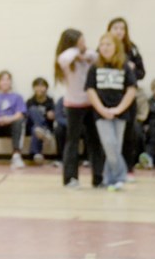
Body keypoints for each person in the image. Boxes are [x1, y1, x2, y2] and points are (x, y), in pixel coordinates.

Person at [86, 33, 137, 191]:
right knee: (109, 144)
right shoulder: (94, 67)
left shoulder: (124, 66)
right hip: (101, 114)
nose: (105, 48)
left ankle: (110, 180)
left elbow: (131, 90)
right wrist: (102, 109)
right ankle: (121, 176)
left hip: (120, 113)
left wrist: (118, 109)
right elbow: (90, 90)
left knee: (116, 147)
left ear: (116, 47)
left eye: (108, 44)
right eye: (102, 45)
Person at [55, 28, 102, 189]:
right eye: (80, 41)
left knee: (95, 142)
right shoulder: (67, 58)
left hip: (91, 103)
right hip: (74, 105)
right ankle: (70, 178)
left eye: (84, 41)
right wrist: (77, 51)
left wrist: (85, 54)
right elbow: (63, 57)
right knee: (72, 142)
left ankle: (98, 177)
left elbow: (97, 56)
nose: (84, 44)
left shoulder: (87, 56)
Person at [107, 17, 145, 181]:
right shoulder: (103, 48)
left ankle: (128, 168)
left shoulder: (132, 49)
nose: (119, 31)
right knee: (110, 136)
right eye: (115, 28)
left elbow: (142, 73)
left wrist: (132, 70)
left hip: (128, 98)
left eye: (122, 28)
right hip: (108, 98)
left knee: (129, 134)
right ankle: (110, 170)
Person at [25, 77, 56, 165]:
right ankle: (41, 129)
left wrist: (52, 115)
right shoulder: (30, 101)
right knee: (33, 110)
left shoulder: (50, 101)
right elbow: (26, 116)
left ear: (46, 88)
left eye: (42, 86)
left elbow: (54, 116)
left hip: (46, 127)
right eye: (37, 86)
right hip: (31, 126)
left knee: (36, 129)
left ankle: (36, 154)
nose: (39, 88)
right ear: (33, 88)